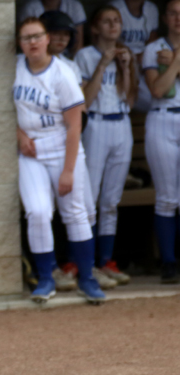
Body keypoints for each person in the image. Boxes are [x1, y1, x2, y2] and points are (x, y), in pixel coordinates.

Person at [14, 17, 105, 303]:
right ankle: (45, 278)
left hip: (62, 146)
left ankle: (87, 279)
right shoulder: (15, 67)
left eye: (37, 36)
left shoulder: (62, 73)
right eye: (26, 38)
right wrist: (18, 135)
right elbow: (2, 107)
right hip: (30, 151)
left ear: (47, 40)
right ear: (20, 43)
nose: (32, 42)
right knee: (38, 212)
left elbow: (75, 125)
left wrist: (68, 171)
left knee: (75, 212)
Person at [75, 6, 138, 286]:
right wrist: (103, 64)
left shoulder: (125, 53)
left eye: (117, 21)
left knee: (111, 201)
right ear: (95, 28)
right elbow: (85, 101)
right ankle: (85, 264)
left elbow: (131, 99)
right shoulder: (85, 56)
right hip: (97, 124)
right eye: (106, 21)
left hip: (121, 123)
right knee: (90, 198)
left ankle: (106, 261)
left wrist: (125, 67)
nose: (113, 26)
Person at [143, 0, 180, 283]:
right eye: (173, 13)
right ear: (165, 18)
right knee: (167, 197)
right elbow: (158, 88)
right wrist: (177, 61)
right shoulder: (154, 49)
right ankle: (168, 262)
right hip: (162, 118)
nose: (178, 18)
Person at [110, 0, 160, 112]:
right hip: (121, 61)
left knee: (153, 101)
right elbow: (111, 42)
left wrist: (146, 56)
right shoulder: (116, 7)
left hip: (143, 62)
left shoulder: (151, 9)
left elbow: (152, 41)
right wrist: (133, 57)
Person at [19, 0, 86, 57]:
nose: (61, 38)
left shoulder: (69, 67)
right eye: (55, 33)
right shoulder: (31, 7)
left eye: (66, 34)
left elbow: (78, 44)